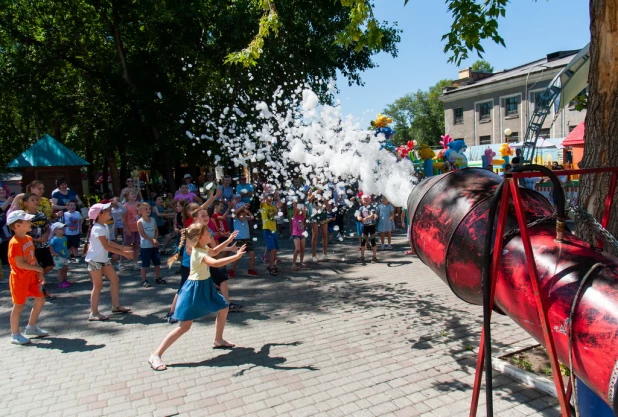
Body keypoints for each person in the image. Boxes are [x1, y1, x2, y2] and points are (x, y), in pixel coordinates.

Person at [149, 222, 247, 371]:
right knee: (184, 327)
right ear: (201, 237)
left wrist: (228, 241)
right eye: (208, 232)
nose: (211, 233)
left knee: (224, 307)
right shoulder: (199, 252)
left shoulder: (202, 247)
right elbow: (215, 262)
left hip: (204, 285)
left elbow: (214, 252)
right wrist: (236, 257)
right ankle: (156, 355)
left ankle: (218, 340)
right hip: (194, 290)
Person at [84, 203, 133, 321]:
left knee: (115, 279)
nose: (110, 211)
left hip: (103, 259)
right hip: (95, 260)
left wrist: (123, 248)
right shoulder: (97, 228)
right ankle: (94, 313)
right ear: (99, 214)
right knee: (98, 285)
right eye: (107, 210)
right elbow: (106, 246)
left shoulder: (104, 226)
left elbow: (109, 242)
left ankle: (116, 306)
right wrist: (124, 253)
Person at [7, 210, 48, 345]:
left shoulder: (28, 238)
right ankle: (15, 334)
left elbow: (32, 257)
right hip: (19, 278)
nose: (30, 223)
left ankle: (31, 327)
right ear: (17, 225)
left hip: (31, 276)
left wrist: (39, 273)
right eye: (27, 221)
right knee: (18, 306)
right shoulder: (15, 242)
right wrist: (37, 269)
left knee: (40, 300)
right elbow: (19, 263)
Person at [21, 193, 55, 299]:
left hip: (44, 245)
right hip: (32, 247)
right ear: (26, 203)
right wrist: (35, 239)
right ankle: (41, 290)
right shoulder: (24, 217)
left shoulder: (41, 215)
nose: (36, 202)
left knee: (49, 265)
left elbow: (48, 228)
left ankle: (33, 281)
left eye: (36, 200)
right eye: (32, 200)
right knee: (37, 267)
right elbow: (22, 232)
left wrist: (45, 235)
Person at [137, 203, 164, 287]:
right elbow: (142, 234)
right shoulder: (140, 222)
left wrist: (155, 239)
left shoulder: (153, 220)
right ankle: (144, 280)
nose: (148, 210)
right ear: (140, 211)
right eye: (145, 209)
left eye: (149, 209)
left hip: (154, 245)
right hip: (145, 246)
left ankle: (158, 277)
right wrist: (151, 240)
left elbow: (156, 230)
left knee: (157, 262)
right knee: (145, 264)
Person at [228, 202, 258, 277]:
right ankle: (231, 270)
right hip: (239, 239)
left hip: (247, 239)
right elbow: (235, 212)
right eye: (242, 214)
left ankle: (251, 270)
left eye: (245, 214)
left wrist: (247, 212)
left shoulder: (246, 218)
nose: (244, 216)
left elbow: (252, 217)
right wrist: (243, 207)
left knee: (252, 255)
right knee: (238, 256)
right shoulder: (235, 217)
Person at [261, 193, 281, 275]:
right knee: (272, 249)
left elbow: (276, 215)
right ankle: (271, 267)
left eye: (271, 198)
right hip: (267, 229)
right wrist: (264, 192)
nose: (270, 199)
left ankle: (272, 265)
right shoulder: (264, 206)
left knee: (275, 249)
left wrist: (278, 207)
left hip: (274, 230)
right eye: (268, 198)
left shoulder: (273, 207)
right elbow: (262, 201)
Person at [122, 190, 141, 270]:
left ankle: (135, 262)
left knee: (136, 245)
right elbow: (123, 219)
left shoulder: (138, 204)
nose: (134, 195)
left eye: (134, 193)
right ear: (127, 196)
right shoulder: (125, 206)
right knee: (127, 246)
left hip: (137, 228)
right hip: (129, 228)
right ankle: (121, 263)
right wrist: (127, 229)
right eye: (131, 193)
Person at [357, 195, 378, 264]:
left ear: (369, 200)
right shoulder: (361, 208)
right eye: (364, 200)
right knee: (363, 241)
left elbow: (372, 215)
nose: (365, 201)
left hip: (371, 226)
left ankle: (374, 257)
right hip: (364, 226)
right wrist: (360, 218)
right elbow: (358, 215)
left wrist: (366, 218)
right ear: (361, 201)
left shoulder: (371, 207)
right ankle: (362, 256)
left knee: (373, 241)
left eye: (366, 199)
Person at [49, 222, 71, 288]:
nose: (63, 229)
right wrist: (54, 253)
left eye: (64, 228)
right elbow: (50, 247)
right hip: (58, 257)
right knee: (60, 269)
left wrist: (68, 252)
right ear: (55, 230)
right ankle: (61, 282)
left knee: (65, 268)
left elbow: (65, 246)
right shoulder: (54, 239)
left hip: (65, 255)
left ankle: (64, 280)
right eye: (60, 228)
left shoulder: (65, 238)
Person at [291, 202, 307, 271]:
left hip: (302, 234)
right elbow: (295, 209)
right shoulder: (294, 215)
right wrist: (295, 204)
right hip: (296, 234)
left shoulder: (302, 216)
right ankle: (293, 263)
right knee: (297, 249)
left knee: (303, 249)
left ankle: (301, 261)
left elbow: (304, 213)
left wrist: (304, 209)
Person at [0, 186, 14, 266]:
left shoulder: (10, 201)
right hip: (1, 226)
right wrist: (8, 200)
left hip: (10, 226)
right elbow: (1, 209)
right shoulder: (9, 200)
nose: (2, 191)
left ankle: (8, 259)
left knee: (9, 242)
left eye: (3, 190)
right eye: (0, 190)